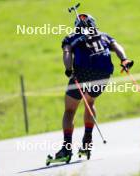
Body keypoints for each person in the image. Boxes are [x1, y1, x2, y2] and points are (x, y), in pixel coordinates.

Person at [55, 13, 133, 159]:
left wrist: (68, 69)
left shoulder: (71, 37)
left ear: (76, 27)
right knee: (90, 103)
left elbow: (67, 52)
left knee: (70, 110)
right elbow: (116, 46)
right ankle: (87, 142)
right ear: (93, 24)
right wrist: (124, 59)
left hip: (82, 74)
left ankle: (66, 149)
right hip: (103, 74)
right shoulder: (104, 35)